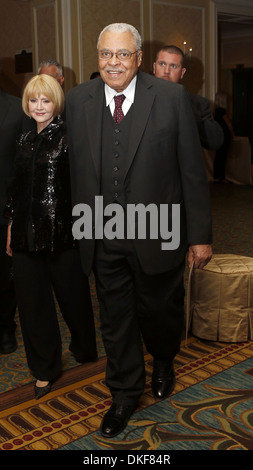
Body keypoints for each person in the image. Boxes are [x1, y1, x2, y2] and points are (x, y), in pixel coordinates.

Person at [66, 23, 212, 438]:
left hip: (159, 231)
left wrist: (199, 235)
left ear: (138, 58)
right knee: (116, 320)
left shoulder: (170, 97)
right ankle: (125, 393)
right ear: (98, 58)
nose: (114, 63)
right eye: (106, 54)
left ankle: (164, 358)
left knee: (160, 313)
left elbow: (191, 172)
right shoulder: (79, 100)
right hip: (101, 233)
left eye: (123, 54)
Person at [5, 74, 97, 399]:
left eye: (45, 100)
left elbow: (83, 187)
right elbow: (16, 189)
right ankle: (44, 369)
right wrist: (11, 226)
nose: (39, 106)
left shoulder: (70, 137)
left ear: (56, 102)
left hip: (63, 233)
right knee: (32, 304)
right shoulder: (23, 138)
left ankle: (86, 352)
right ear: (27, 104)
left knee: (73, 299)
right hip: (25, 234)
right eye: (33, 100)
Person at [153, 45, 224, 150]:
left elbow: (215, 141)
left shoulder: (198, 104)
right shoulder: (136, 98)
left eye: (173, 66)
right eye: (162, 64)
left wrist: (186, 109)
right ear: (154, 68)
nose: (166, 71)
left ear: (182, 72)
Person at [0, 88, 24, 354]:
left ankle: (5, 327)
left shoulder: (17, 108)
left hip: (4, 208)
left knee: (5, 277)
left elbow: (23, 165)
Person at [213, 91, 234, 182]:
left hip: (218, 135)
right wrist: (233, 133)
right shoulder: (222, 111)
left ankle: (217, 176)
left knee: (219, 156)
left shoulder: (216, 112)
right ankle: (221, 177)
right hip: (225, 135)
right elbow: (228, 124)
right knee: (222, 156)